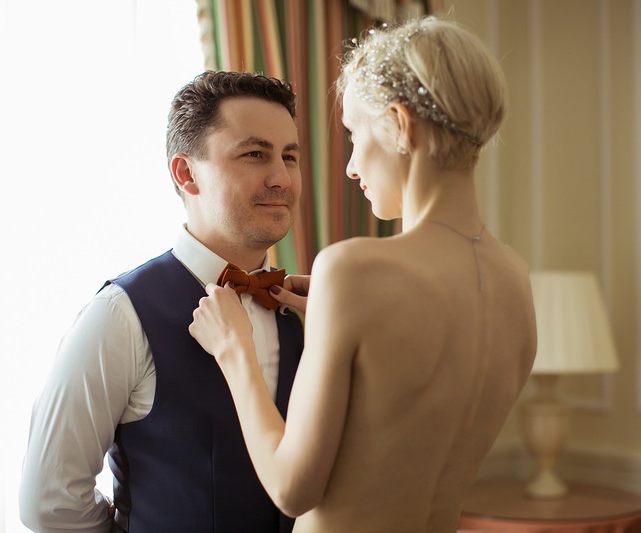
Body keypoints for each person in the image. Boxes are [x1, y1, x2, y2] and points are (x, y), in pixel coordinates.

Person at [189, 16, 537, 532]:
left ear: (399, 125)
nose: (351, 166)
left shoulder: (351, 270)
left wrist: (234, 349)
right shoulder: (516, 280)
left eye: (354, 134)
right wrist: (339, 314)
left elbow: (291, 488)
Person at [19, 71, 305, 532]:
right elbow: (50, 503)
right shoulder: (119, 314)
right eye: (255, 154)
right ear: (186, 173)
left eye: (289, 156)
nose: (281, 177)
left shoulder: (305, 309)